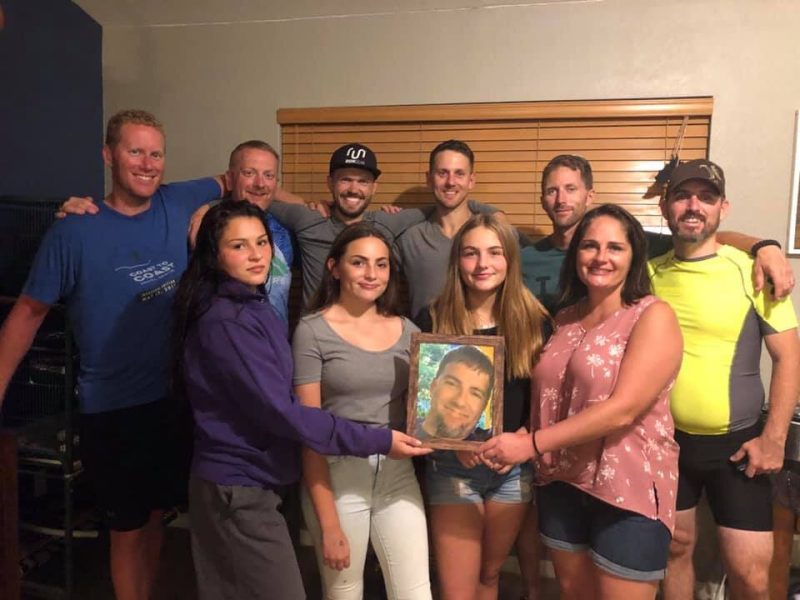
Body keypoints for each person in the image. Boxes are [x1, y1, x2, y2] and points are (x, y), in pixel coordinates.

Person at [0, 109, 224, 600]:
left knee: (156, 514)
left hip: (172, 399)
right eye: (134, 151)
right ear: (108, 155)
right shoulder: (74, 230)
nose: (147, 163)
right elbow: (27, 315)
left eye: (156, 153)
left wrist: (306, 203)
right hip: (111, 407)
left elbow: (244, 177)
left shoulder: (178, 199)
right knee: (124, 528)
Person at [174, 202, 430, 600]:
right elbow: (287, 413)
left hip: (270, 478)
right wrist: (379, 440)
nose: (257, 254)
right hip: (238, 483)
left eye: (262, 242)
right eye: (239, 246)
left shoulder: (253, 306)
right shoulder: (229, 321)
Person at [482, 204, 684, 600]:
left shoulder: (652, 316)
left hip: (627, 487)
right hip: (562, 482)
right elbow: (555, 397)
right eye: (590, 246)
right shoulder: (565, 318)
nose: (601, 257)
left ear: (634, 256)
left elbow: (623, 408)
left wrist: (532, 444)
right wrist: (529, 432)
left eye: (615, 248)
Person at [650, 159, 800, 600]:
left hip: (739, 448)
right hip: (667, 443)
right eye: (682, 195)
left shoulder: (751, 270)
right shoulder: (648, 273)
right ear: (665, 206)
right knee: (675, 553)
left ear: (723, 208)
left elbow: (789, 356)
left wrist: (773, 439)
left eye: (706, 197)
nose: (694, 206)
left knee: (751, 575)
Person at [292, 222, 433, 599]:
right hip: (338, 478)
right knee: (344, 592)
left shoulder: (408, 331)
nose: (372, 274)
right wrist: (328, 524)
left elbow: (434, 403)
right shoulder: (311, 330)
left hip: (397, 475)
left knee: (416, 592)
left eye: (382, 264)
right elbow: (310, 431)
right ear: (334, 267)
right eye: (359, 262)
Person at [416, 213, 549, 600]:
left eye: (494, 252)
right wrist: (455, 441)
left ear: (510, 259)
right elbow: (421, 402)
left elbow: (545, 400)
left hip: (512, 471)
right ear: (457, 260)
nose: (482, 264)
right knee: (458, 589)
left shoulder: (536, 320)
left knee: (490, 576)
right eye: (471, 253)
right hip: (453, 467)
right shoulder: (435, 316)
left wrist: (524, 438)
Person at [521, 154, 795, 316]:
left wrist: (765, 246)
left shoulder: (628, 244)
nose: (561, 199)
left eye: (571, 189)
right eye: (551, 191)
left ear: (589, 195)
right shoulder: (525, 259)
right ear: (542, 199)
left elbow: (705, 237)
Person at [397, 140, 509, 320]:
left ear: (471, 180)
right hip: (426, 344)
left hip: (487, 343)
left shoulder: (493, 234)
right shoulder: (410, 238)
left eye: (459, 174)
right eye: (442, 173)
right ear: (429, 178)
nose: (450, 182)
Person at [219, 140, 295, 321]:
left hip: (275, 343)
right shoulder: (208, 228)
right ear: (230, 179)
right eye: (249, 173)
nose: (260, 184)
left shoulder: (287, 231)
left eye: (268, 175)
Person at [417, 345, 494, 441]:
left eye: (475, 394)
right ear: (433, 387)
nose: (460, 402)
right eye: (452, 384)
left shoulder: (488, 448)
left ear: (484, 405)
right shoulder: (403, 432)